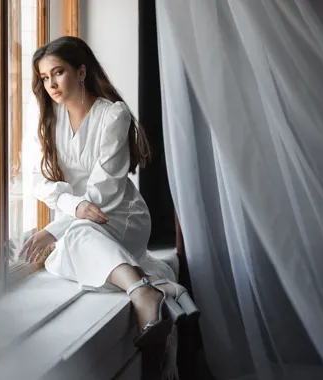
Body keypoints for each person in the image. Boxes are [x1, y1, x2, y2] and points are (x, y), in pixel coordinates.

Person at [21, 36, 199, 347]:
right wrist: (73, 209)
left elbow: (102, 191)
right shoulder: (48, 120)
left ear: (81, 72)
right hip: (81, 220)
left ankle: (144, 294)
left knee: (75, 239)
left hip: (120, 214)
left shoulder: (113, 114)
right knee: (64, 254)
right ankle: (153, 288)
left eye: (58, 72)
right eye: (44, 77)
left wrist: (56, 227)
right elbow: (37, 180)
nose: (51, 84)